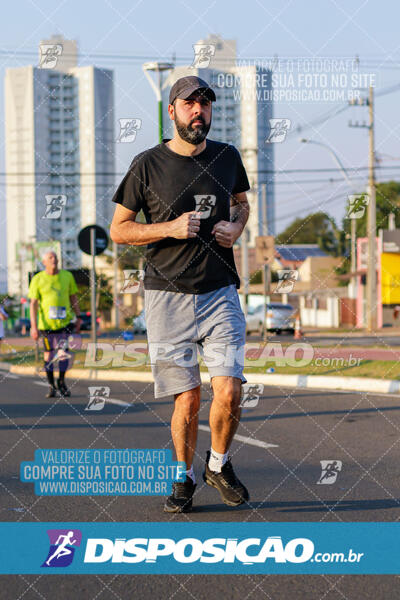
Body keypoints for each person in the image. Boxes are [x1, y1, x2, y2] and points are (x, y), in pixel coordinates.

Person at [111, 75, 251, 513]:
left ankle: (219, 463)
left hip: (220, 290)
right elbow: (118, 229)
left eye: (206, 104)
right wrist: (168, 228)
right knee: (188, 396)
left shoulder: (228, 157)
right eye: (190, 103)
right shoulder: (146, 164)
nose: (199, 111)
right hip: (166, 295)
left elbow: (243, 202)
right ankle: (183, 477)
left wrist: (238, 225)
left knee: (228, 389)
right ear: (171, 111)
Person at [29, 251, 81, 398]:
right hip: (46, 325)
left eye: (56, 257)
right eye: (50, 257)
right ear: (44, 262)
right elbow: (33, 303)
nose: (54, 259)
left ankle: (62, 382)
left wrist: (79, 317)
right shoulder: (38, 279)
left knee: (63, 354)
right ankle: (51, 386)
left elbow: (73, 297)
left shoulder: (67, 276)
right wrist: (33, 326)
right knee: (48, 355)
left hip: (65, 322)